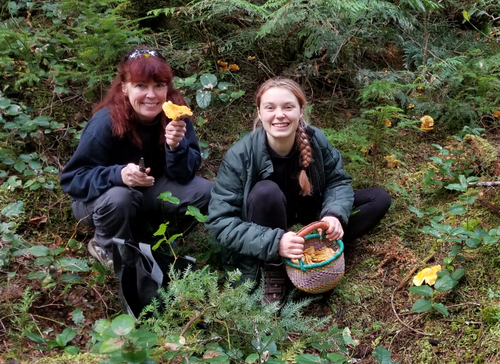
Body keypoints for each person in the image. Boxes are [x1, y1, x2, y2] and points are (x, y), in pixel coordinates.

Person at [205, 77, 391, 304]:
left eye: (288, 107)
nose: (279, 115)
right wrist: (275, 243)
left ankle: (319, 244)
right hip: (266, 224)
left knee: (378, 199)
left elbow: (338, 181)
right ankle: (275, 268)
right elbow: (220, 221)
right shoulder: (240, 156)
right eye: (270, 108)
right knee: (265, 191)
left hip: (308, 215)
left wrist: (333, 214)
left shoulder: (315, 140)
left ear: (300, 111)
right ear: (260, 112)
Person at [60, 48, 213, 265]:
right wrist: (119, 174)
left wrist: (175, 147)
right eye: (141, 86)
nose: (151, 95)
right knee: (120, 197)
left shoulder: (176, 115)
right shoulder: (106, 122)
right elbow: (73, 180)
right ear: (124, 88)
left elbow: (185, 175)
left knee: (206, 192)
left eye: (159, 86)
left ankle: (159, 239)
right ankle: (106, 246)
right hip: (100, 199)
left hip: (148, 192)